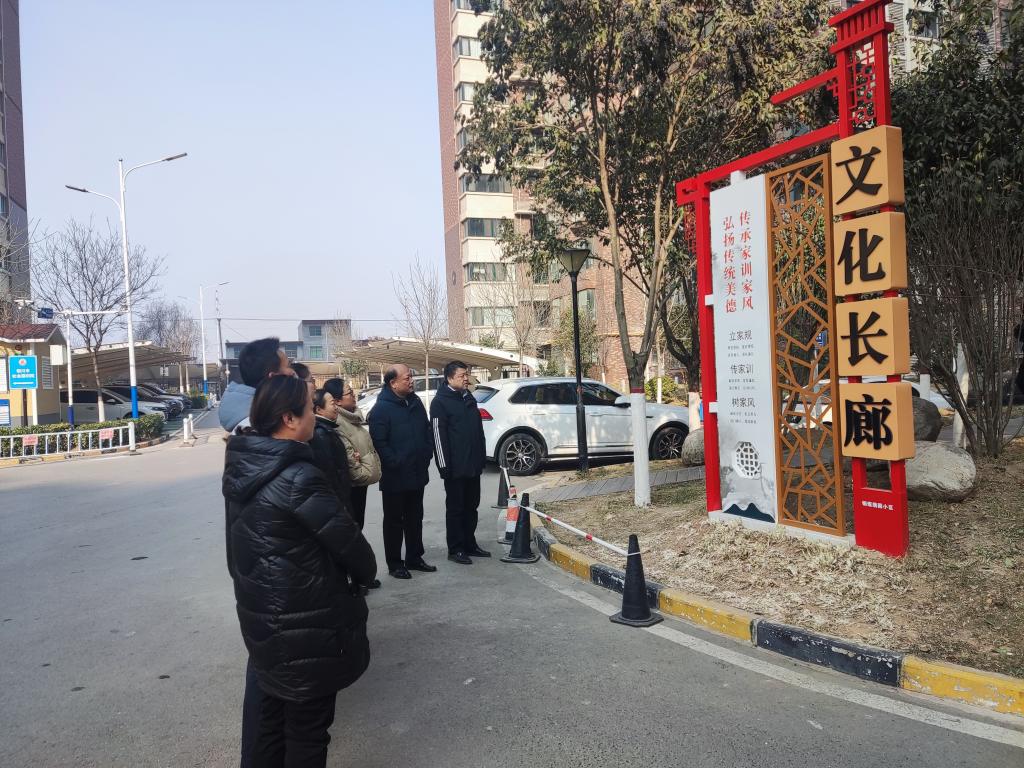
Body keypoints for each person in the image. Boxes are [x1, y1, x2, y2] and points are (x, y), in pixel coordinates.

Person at [223, 374, 376, 768]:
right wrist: (362, 577)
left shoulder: (243, 466)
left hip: (261, 617)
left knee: (269, 723)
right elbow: (353, 549)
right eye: (309, 409)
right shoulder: (298, 476)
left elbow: (233, 553)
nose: (315, 415)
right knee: (307, 731)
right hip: (306, 624)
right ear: (289, 419)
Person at [367, 364, 435, 579]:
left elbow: (426, 430)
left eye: (411, 377)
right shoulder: (381, 409)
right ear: (393, 383)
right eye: (407, 378)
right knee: (394, 520)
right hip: (395, 475)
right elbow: (379, 442)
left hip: (417, 470)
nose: (411, 381)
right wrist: (394, 462)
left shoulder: (415, 402)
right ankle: (395, 563)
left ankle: (415, 557)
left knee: (415, 517)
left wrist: (426, 453)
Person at [429, 360, 489, 564]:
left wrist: (481, 456)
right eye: (462, 375)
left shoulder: (467, 397)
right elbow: (438, 436)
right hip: (455, 467)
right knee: (456, 509)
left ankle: (470, 543)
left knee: (472, 506)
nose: (466, 379)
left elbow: (478, 430)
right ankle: (455, 548)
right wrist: (444, 466)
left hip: (473, 464)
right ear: (449, 378)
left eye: (467, 375)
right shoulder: (440, 402)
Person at [322, 378, 381, 532]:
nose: (354, 395)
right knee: (354, 525)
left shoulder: (353, 417)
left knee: (358, 523)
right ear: (337, 401)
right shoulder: (338, 423)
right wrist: (362, 473)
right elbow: (349, 457)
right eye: (349, 393)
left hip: (361, 482)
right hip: (353, 484)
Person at [219, 337, 294, 433]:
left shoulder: (249, 422)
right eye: (288, 366)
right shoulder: (265, 426)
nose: (293, 372)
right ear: (273, 377)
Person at [310, 388, 353, 511]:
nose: (336, 408)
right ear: (319, 410)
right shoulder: (321, 433)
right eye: (332, 404)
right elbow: (330, 472)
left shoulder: (328, 429)